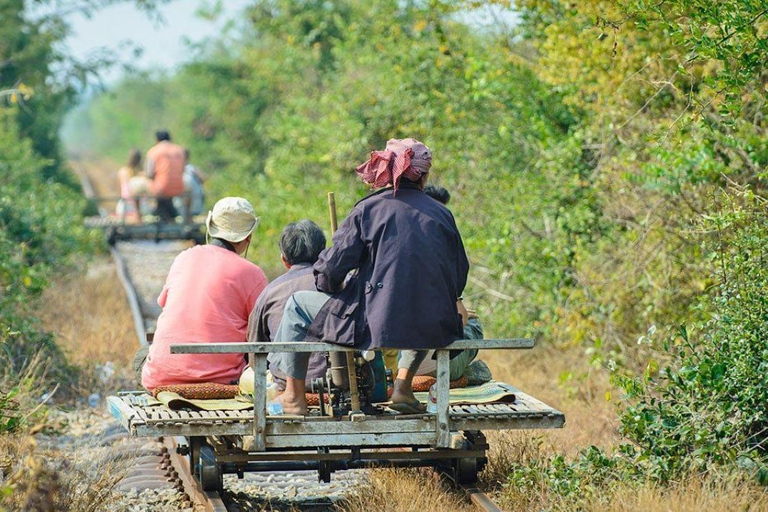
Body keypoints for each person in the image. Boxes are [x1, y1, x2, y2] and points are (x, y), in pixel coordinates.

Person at [271, 138, 470, 415]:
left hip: (372, 324)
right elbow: (460, 274)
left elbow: (331, 269)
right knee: (422, 304)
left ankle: (293, 397)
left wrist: (330, 285)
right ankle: (403, 387)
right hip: (431, 324)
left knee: (296, 305)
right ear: (424, 176)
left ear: (386, 172)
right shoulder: (443, 215)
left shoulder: (368, 209)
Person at [141, 197, 268, 393]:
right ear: (248, 236)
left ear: (210, 227)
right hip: (223, 382)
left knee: (141, 356)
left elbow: (165, 304)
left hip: (161, 379)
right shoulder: (252, 274)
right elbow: (263, 329)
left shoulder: (184, 257)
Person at [247, 220, 328, 390]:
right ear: (323, 253)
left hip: (285, 386)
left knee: (246, 376)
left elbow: (255, 356)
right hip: (338, 383)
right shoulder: (345, 284)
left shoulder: (269, 292)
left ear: (284, 259)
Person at [146, 130, 185, 222]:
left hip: (161, 189)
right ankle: (171, 214)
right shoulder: (180, 150)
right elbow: (183, 170)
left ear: (157, 140)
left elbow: (149, 173)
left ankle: (139, 216)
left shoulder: (153, 151)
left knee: (139, 184)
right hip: (179, 187)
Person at [174, 148, 206, 218]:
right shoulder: (193, 169)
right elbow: (203, 179)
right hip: (196, 206)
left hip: (186, 208)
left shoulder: (187, 170)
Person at [116, 149, 142, 221]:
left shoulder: (122, 171)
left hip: (123, 207)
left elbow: (119, 191)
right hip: (139, 208)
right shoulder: (141, 173)